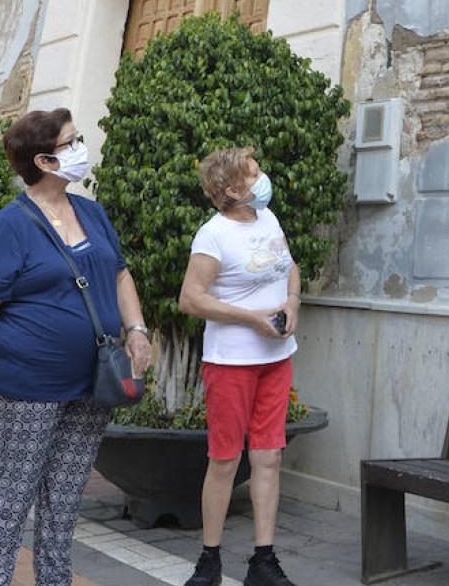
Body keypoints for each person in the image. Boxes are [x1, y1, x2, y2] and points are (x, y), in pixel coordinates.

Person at [0, 108, 153, 586]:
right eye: (72, 142)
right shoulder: (11, 225)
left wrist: (137, 329)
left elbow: (120, 273)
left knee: (64, 500)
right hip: (26, 389)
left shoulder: (91, 211)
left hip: (92, 384)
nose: (82, 148)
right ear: (43, 160)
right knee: (10, 498)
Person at [178, 147, 301, 586]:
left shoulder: (267, 219)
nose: (263, 177)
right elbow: (190, 298)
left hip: (276, 359)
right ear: (232, 190)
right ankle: (209, 561)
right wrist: (251, 318)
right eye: (254, 173)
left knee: (268, 456)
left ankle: (263, 561)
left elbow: (290, 268)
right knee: (226, 459)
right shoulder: (213, 235)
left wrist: (292, 304)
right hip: (231, 362)